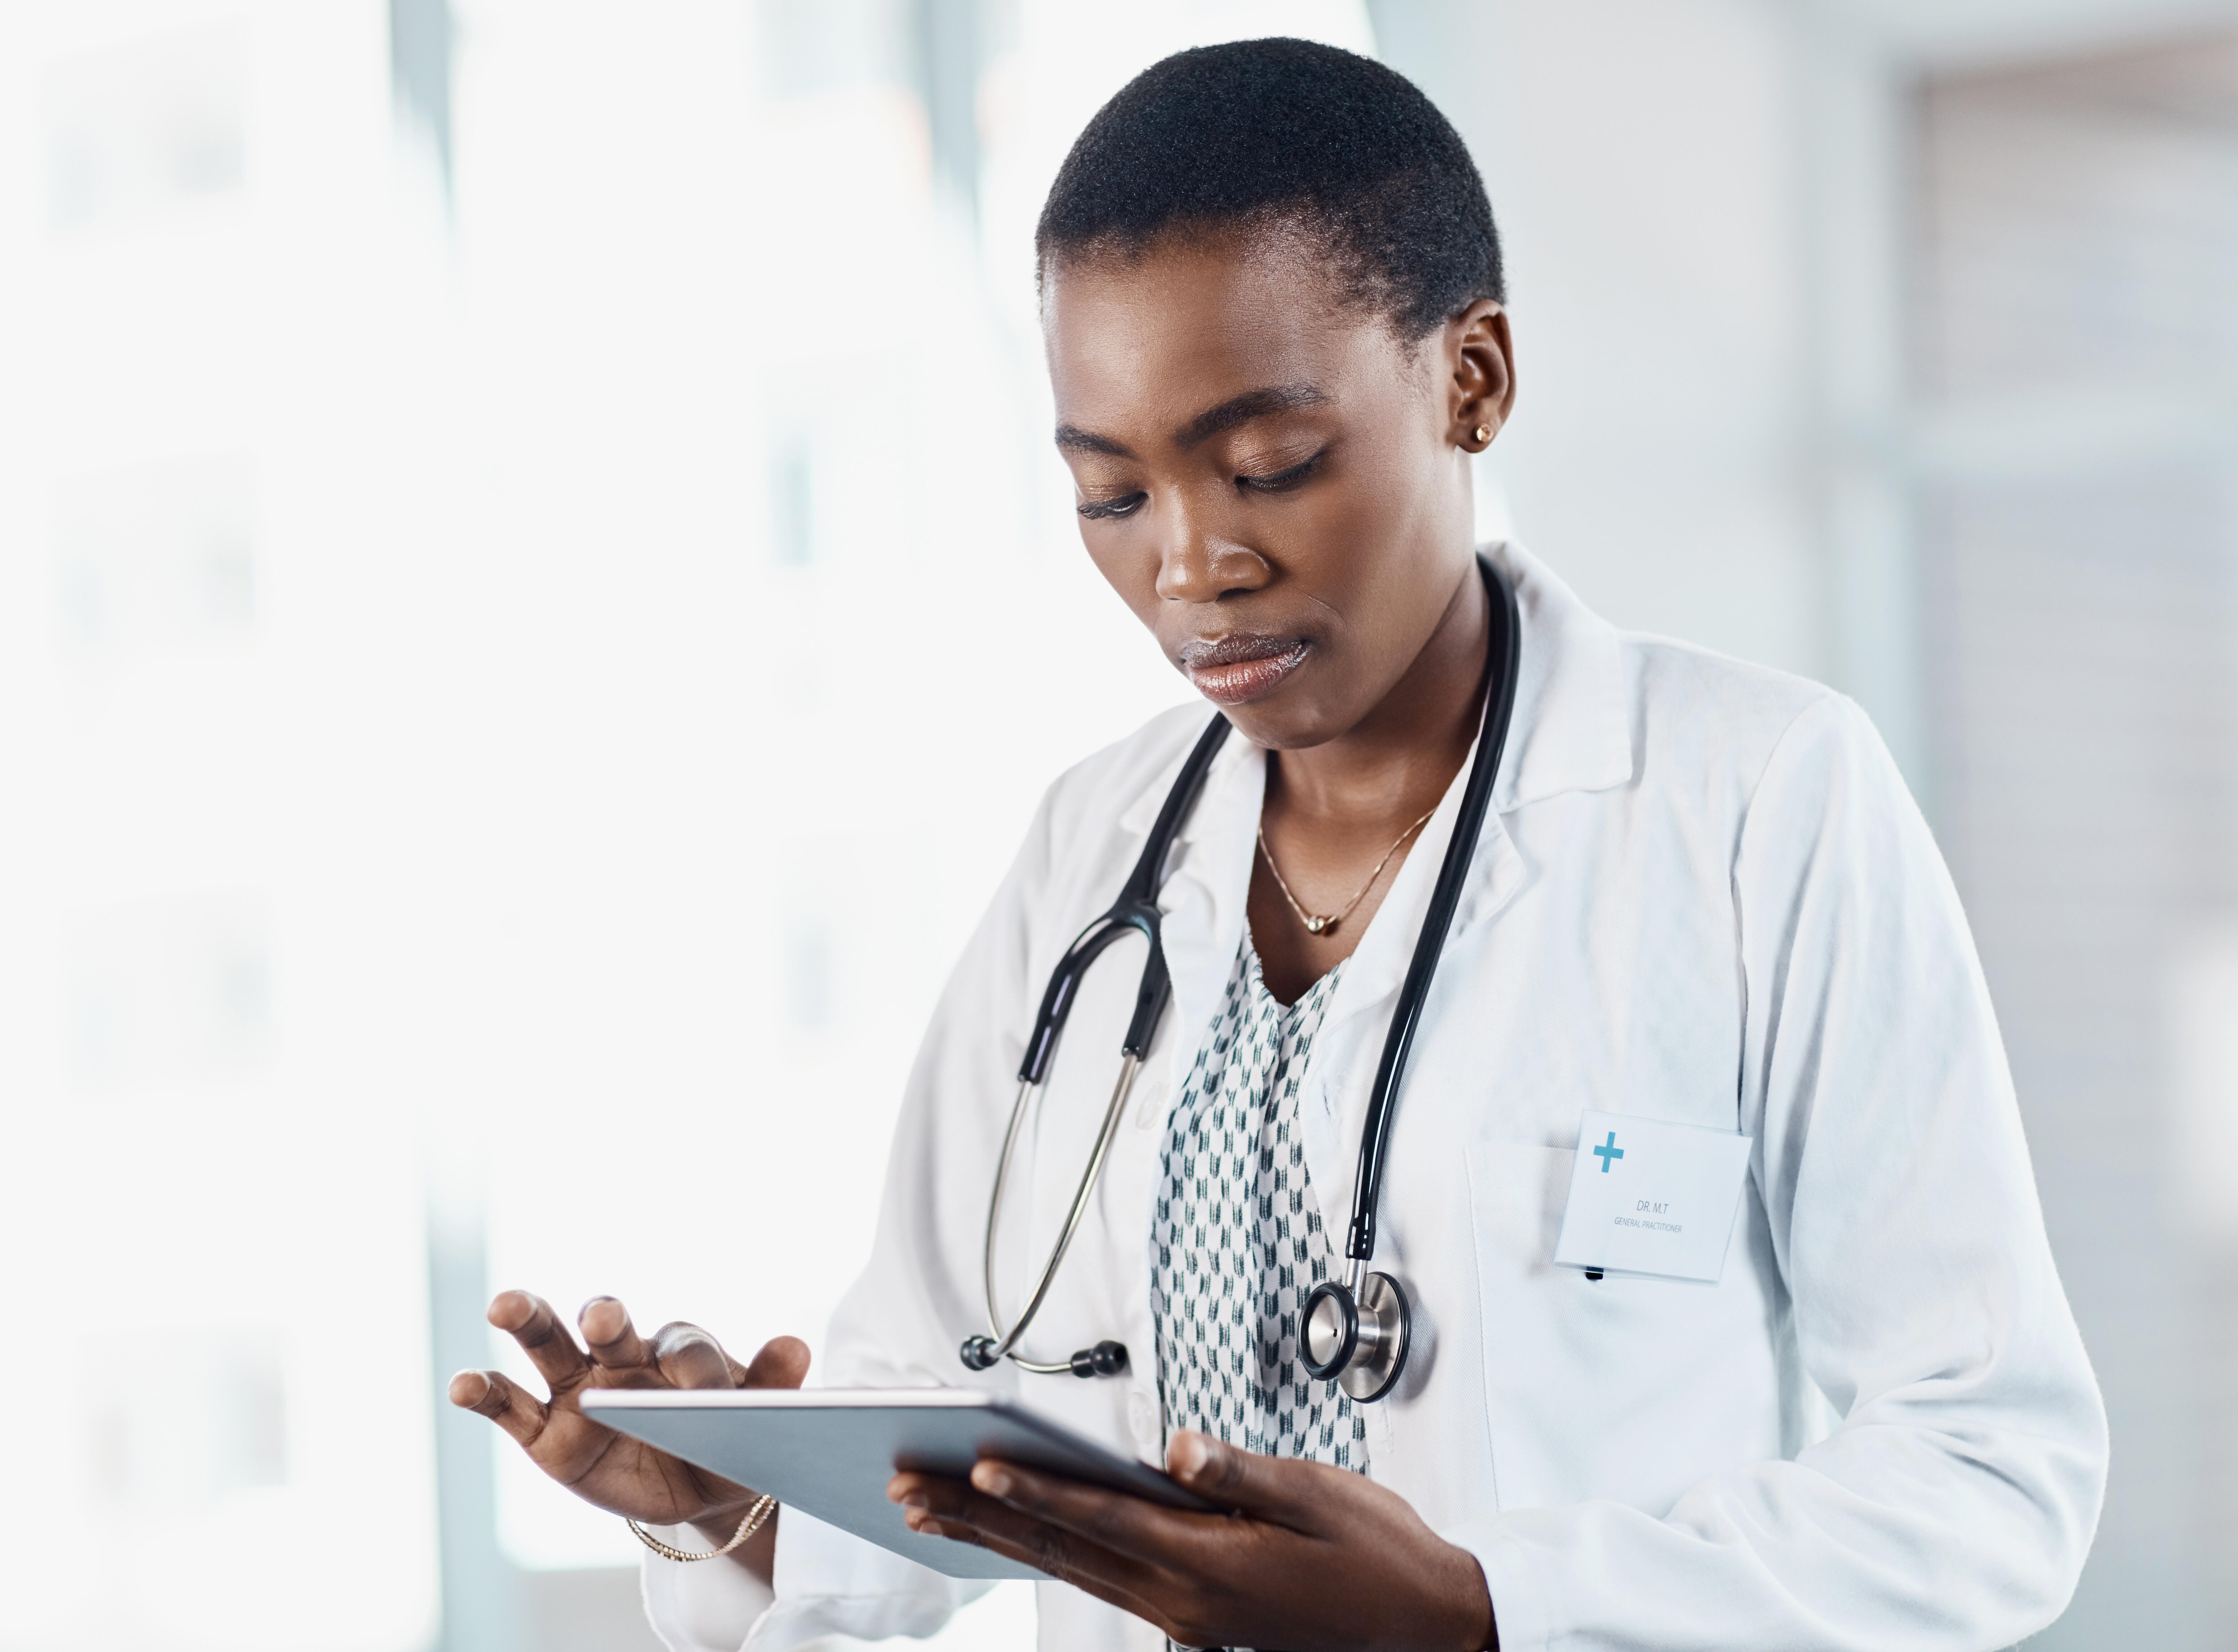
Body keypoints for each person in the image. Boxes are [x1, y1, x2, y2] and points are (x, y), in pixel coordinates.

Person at [448, 38, 2107, 1652]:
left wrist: (1487, 1610)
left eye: (1269, 464)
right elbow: (940, 1435)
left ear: (1473, 379)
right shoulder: (1090, 853)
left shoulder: (1756, 802)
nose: (1194, 563)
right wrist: (731, 1502)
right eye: (1113, 496)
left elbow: (1991, 1472)